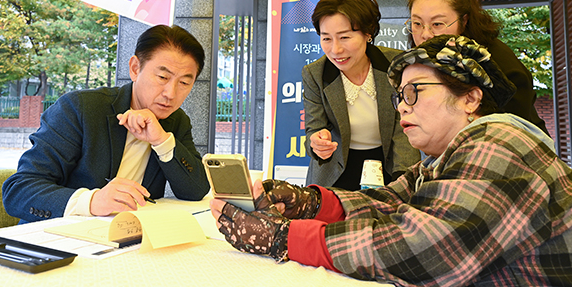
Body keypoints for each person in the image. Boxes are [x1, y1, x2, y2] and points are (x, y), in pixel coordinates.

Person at [210, 35, 572, 286]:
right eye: (400, 94)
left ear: (470, 99)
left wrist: (282, 238)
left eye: (414, 91)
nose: (401, 104)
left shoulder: (499, 144)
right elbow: (387, 201)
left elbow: (424, 253)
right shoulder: (441, 158)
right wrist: (307, 203)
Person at [3, 25, 210, 223]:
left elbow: (195, 190)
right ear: (135, 68)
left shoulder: (175, 122)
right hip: (58, 238)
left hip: (128, 240)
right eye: (163, 77)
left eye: (184, 82)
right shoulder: (80, 108)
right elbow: (19, 190)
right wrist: (93, 201)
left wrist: (161, 141)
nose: (171, 93)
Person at [406, 0, 549, 135]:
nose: (425, 34)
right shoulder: (429, 59)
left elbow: (515, 134)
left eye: (437, 24)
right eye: (417, 23)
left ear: (464, 20)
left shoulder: (497, 64)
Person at [302, 0, 419, 190]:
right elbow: (314, 128)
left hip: (389, 165)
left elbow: (404, 127)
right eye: (326, 38)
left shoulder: (396, 65)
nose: (335, 50)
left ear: (368, 33)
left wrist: (403, 179)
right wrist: (317, 143)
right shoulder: (315, 74)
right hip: (336, 172)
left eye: (345, 37)